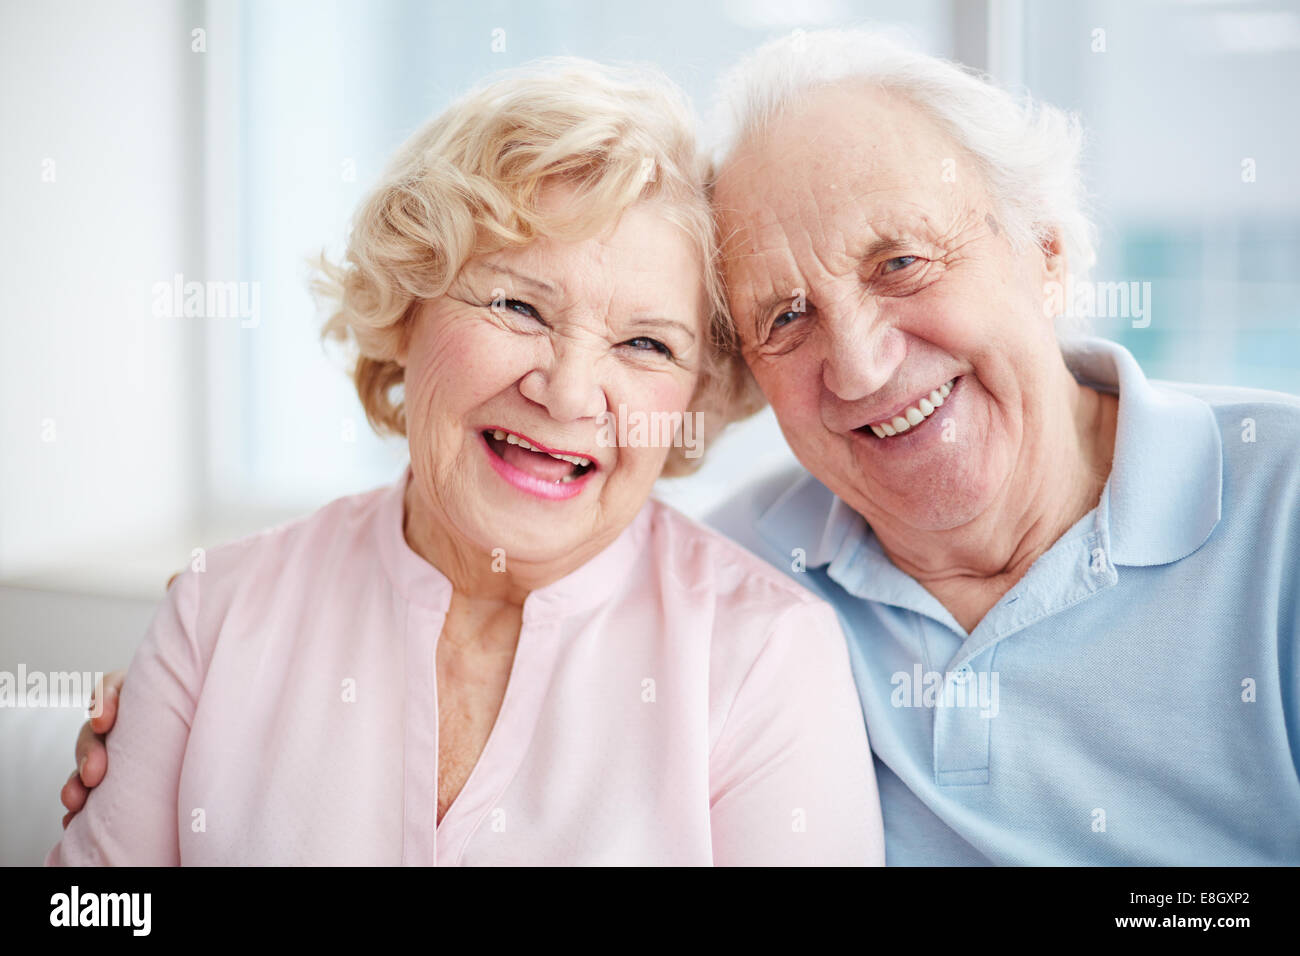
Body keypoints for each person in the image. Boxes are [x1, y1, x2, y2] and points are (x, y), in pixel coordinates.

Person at [46, 56, 883, 866]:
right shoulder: (215, 613)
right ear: (407, 311)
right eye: (519, 305)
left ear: (696, 398)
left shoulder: (767, 656)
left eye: (644, 343)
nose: (566, 393)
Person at [705, 29, 1300, 864]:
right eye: (787, 318)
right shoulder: (732, 575)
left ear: (1046, 255)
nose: (860, 366)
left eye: (901, 263)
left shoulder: (1285, 500)